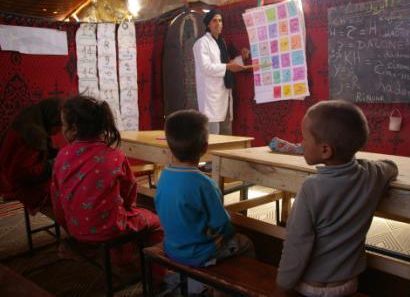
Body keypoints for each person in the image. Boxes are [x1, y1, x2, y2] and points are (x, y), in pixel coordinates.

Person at [275, 100, 399, 297]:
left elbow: (297, 244)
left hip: (311, 287)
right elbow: (391, 166)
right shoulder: (372, 174)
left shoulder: (311, 188)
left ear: (325, 150)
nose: (301, 143)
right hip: (348, 284)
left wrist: (283, 286)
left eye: (305, 138)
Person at [50, 95, 164, 273]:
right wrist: (127, 210)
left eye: (63, 124)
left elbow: (56, 198)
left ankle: (111, 254)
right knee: (156, 223)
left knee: (111, 214)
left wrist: (69, 226)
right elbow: (129, 192)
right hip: (110, 228)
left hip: (75, 227)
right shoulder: (115, 155)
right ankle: (158, 276)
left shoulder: (61, 156)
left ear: (73, 128)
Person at [155, 109, 254, 269]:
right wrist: (231, 230)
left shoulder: (164, 176)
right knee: (246, 243)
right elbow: (222, 226)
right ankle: (228, 285)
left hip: (172, 247)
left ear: (169, 145)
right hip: (200, 253)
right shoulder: (205, 184)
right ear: (205, 148)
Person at [0, 97, 63, 214]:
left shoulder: (31, 119)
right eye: (61, 126)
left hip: (16, 179)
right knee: (74, 189)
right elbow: (23, 173)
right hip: (24, 187)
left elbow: (36, 156)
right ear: (52, 121)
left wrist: (57, 154)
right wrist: (53, 163)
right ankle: (78, 226)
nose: (62, 131)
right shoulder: (33, 133)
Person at [193, 9, 249, 135]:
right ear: (208, 24)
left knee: (225, 132)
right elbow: (206, 67)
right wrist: (228, 67)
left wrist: (241, 58)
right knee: (212, 134)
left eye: (220, 20)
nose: (218, 23)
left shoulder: (221, 43)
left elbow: (225, 62)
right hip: (211, 94)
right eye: (214, 21)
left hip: (223, 90)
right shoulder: (202, 43)